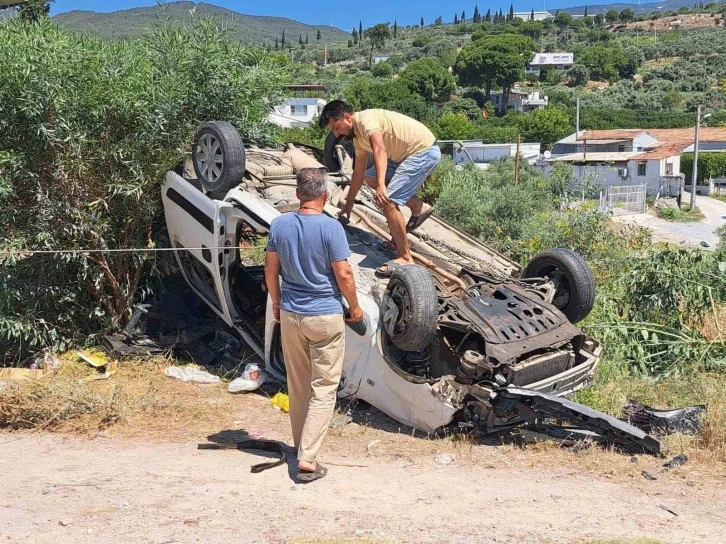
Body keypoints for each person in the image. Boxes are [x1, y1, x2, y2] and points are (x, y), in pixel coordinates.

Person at [264, 167, 363, 483]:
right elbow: (344, 274)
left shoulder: (279, 225)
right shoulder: (331, 228)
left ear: (297, 195)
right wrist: (356, 308)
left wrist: (277, 302)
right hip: (324, 316)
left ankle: (299, 447)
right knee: (324, 387)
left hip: (292, 315)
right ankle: (307, 459)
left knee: (298, 385)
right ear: (325, 195)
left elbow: (270, 271)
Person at [319, 100, 441, 277]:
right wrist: (349, 204)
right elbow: (359, 172)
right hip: (403, 155)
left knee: (388, 201)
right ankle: (417, 207)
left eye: (337, 128)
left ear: (347, 117)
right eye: (333, 131)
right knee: (370, 176)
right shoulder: (358, 137)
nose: (337, 134)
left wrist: (382, 186)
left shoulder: (366, 120)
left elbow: (379, 150)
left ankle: (405, 257)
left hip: (422, 151)